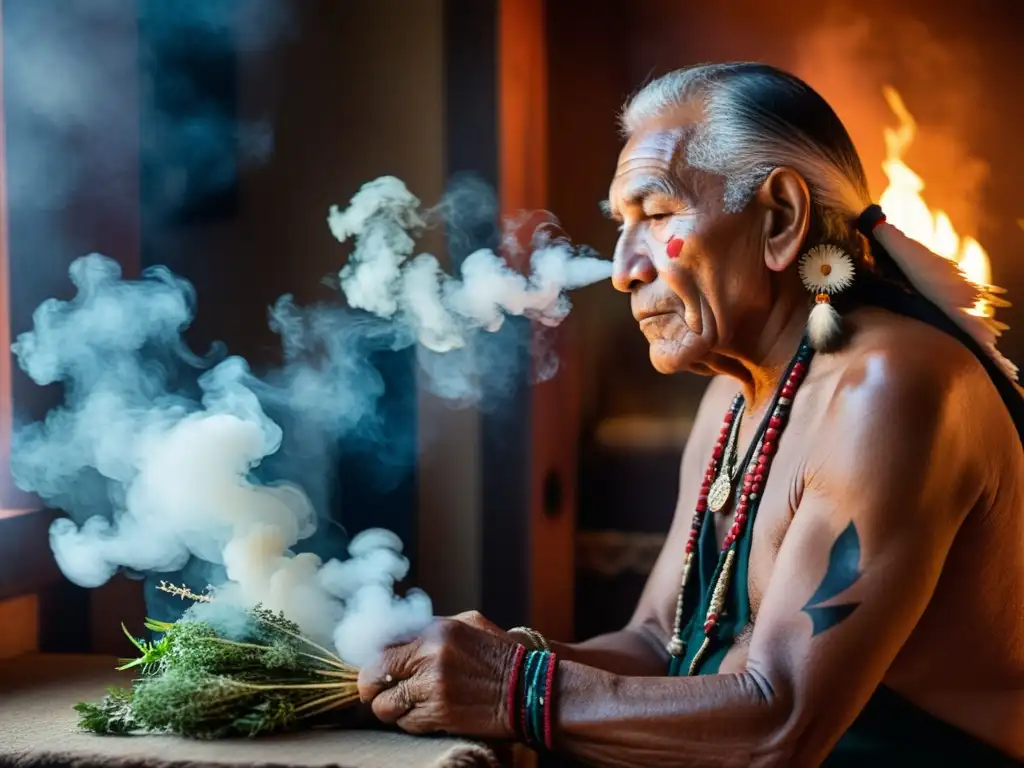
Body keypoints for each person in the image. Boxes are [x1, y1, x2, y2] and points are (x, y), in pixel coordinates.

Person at [357, 63, 1024, 767]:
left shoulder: (889, 388)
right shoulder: (733, 399)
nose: (623, 269)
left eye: (657, 214)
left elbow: (781, 724)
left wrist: (513, 687)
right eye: (622, 224)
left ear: (780, 220)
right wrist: (481, 660)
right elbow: (656, 645)